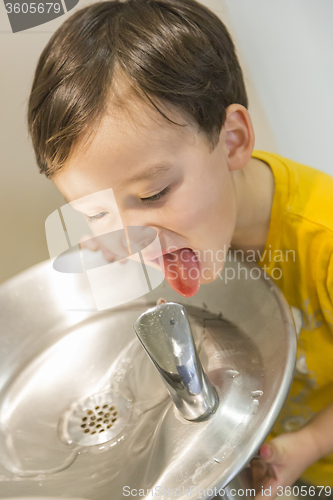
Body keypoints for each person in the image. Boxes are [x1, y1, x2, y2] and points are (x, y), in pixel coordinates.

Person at [27, 0, 333, 495]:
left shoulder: (323, 239)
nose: (134, 240)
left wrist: (312, 443)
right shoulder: (177, 224)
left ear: (232, 140)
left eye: (153, 195)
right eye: (97, 210)